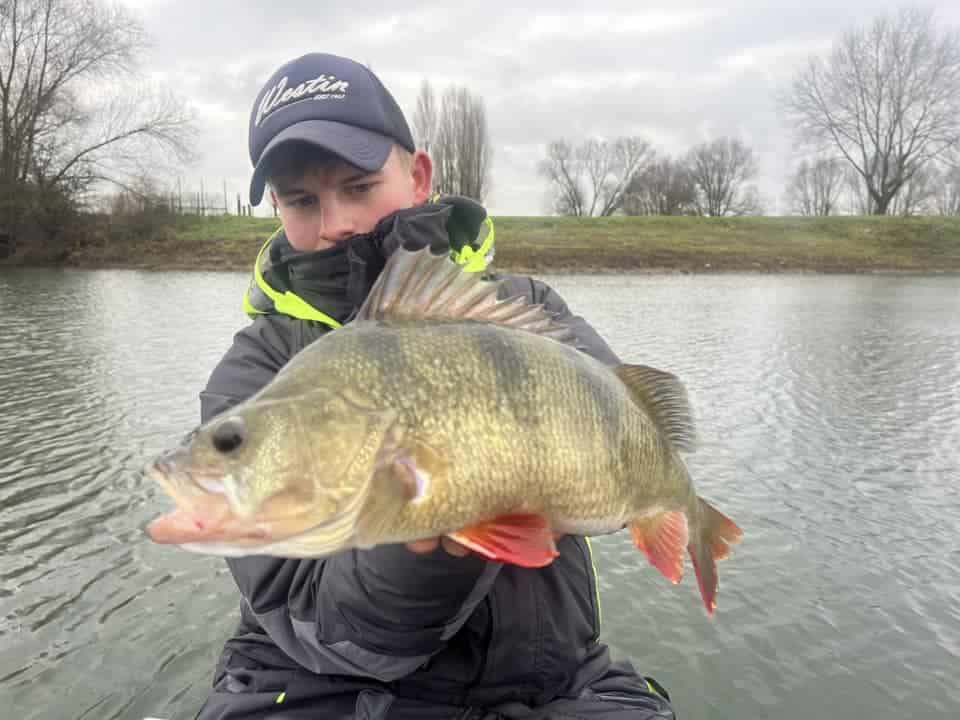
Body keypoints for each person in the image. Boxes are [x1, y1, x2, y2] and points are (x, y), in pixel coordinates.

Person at [195, 52, 676, 720]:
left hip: (554, 679)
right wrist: (425, 546)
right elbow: (311, 613)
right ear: (276, 206)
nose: (335, 223)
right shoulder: (256, 376)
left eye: (359, 186)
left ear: (419, 176)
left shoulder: (527, 312)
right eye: (302, 200)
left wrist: (632, 493)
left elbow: (625, 446)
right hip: (320, 685)